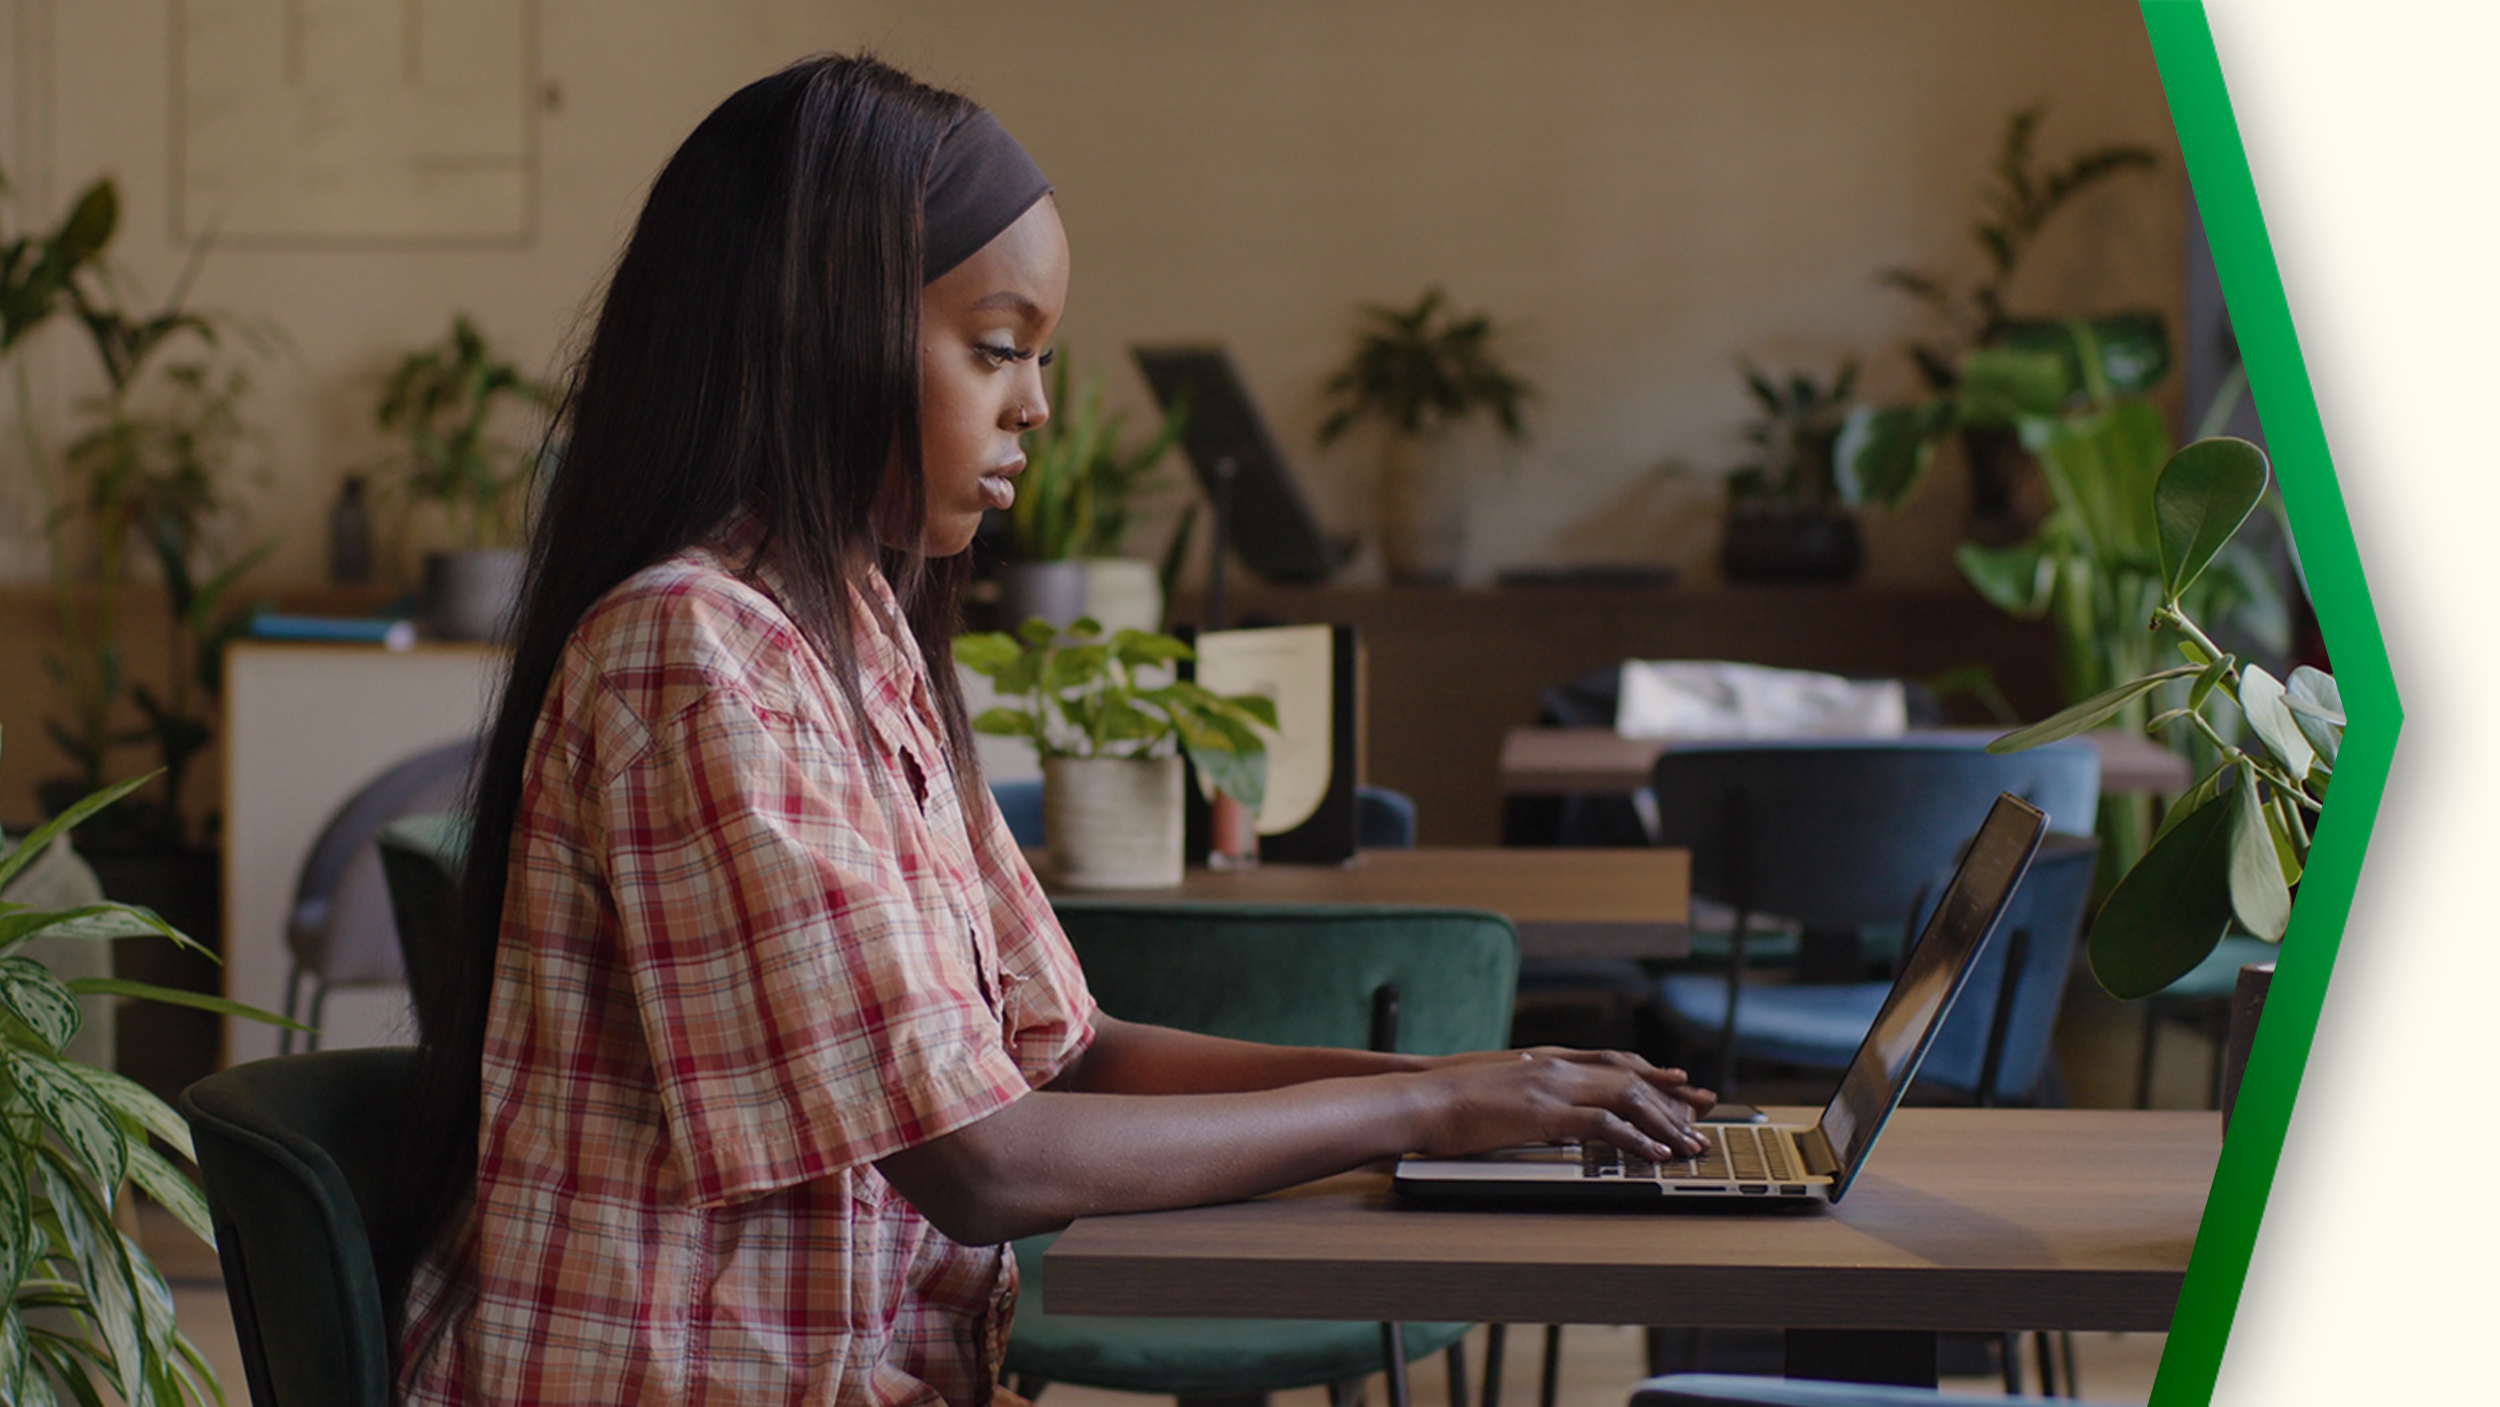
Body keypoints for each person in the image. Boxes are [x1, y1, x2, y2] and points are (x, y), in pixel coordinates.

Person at [387, 53, 1714, 1407]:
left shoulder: (852, 633)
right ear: (819, 331)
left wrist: (1471, 1087)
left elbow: (1066, 1047)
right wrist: (1423, 1113)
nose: (1035, 406)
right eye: (997, 347)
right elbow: (981, 1161)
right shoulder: (694, 655)